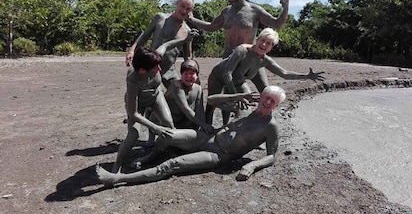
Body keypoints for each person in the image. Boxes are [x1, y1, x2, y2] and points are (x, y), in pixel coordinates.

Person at [96, 85, 286, 186]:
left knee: (171, 165)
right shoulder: (245, 107)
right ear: (260, 96)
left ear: (276, 105)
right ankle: (149, 157)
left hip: (218, 155)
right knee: (168, 134)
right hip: (206, 137)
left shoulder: (270, 126)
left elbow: (271, 156)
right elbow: (211, 100)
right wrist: (237, 97)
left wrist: (251, 166)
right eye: (266, 97)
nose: (268, 102)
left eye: (273, 101)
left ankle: (118, 179)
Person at [112, 34, 197, 173]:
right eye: (155, 67)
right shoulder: (133, 78)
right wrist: (155, 127)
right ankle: (117, 165)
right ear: (142, 70)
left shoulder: (153, 57)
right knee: (133, 135)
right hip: (138, 102)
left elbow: (167, 44)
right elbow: (133, 113)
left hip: (155, 96)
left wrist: (185, 39)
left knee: (168, 126)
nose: (159, 69)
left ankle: (156, 153)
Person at [187, 0, 289, 92]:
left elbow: (277, 24)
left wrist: (285, 9)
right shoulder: (226, 12)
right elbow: (211, 26)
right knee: (229, 94)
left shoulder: (255, 10)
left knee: (266, 91)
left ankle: (265, 109)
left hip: (252, 56)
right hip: (230, 58)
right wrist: (192, 19)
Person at [206, 28, 325, 125]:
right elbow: (226, 73)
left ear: (271, 47)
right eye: (262, 40)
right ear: (257, 39)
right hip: (219, 76)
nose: (263, 44)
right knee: (212, 105)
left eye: (268, 43)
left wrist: (306, 76)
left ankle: (233, 128)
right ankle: (207, 128)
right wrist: (236, 96)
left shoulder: (265, 60)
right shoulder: (242, 50)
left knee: (248, 102)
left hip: (237, 79)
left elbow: (284, 73)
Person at [126, 0, 195, 88]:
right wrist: (132, 51)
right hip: (150, 65)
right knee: (142, 92)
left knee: (179, 93)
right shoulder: (160, 18)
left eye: (188, 9)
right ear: (176, 3)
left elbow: (187, 57)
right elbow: (145, 35)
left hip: (169, 70)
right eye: (182, 6)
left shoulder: (187, 31)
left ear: (191, 11)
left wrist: (191, 74)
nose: (184, 11)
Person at [164, 59, 214, 133]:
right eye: (185, 73)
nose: (188, 76)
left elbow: (200, 110)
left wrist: (203, 126)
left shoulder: (198, 89)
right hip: (170, 120)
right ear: (181, 74)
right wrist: (203, 125)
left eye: (192, 73)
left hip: (184, 120)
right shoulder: (177, 86)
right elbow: (186, 109)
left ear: (197, 75)